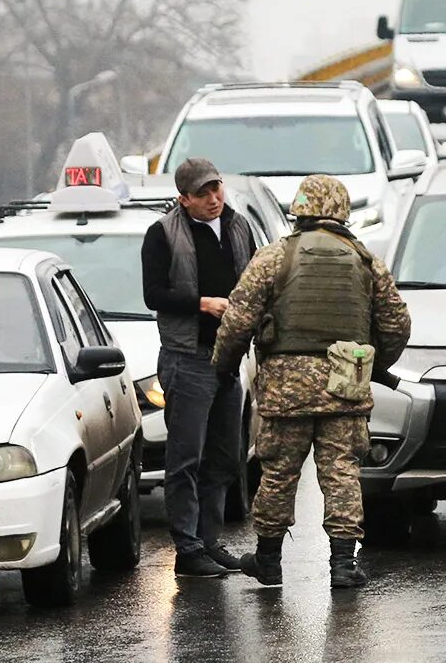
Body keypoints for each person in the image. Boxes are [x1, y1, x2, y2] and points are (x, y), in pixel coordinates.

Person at [212, 174, 411, 588]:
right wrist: (373, 362)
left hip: (287, 388)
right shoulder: (365, 261)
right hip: (346, 383)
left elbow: (238, 320)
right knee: (341, 471)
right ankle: (342, 564)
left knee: (279, 473)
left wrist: (224, 365)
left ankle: (267, 560)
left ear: (299, 211)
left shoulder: (274, 258)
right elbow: (396, 324)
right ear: (342, 211)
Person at [142, 157, 258, 578]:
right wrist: (201, 304)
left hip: (228, 359)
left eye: (217, 189)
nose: (214, 199)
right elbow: (153, 294)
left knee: (226, 456)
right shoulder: (162, 234)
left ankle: (209, 541)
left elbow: (256, 280)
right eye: (204, 193)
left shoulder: (238, 225)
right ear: (184, 198)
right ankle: (187, 548)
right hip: (187, 359)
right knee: (185, 457)